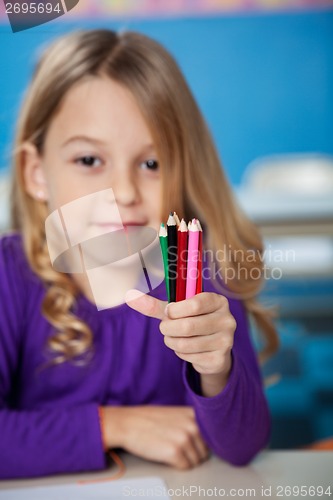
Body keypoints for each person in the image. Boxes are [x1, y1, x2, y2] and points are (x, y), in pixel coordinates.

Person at [0, 29, 278, 479]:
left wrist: (216, 366)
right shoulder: (8, 277)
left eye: (152, 164)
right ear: (36, 173)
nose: (125, 192)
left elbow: (243, 448)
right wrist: (115, 425)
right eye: (90, 161)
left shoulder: (202, 272)